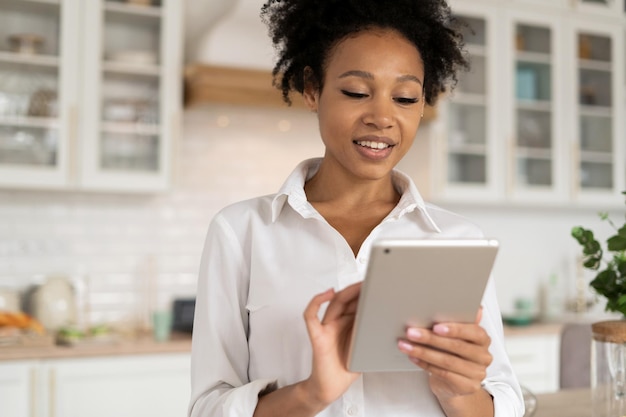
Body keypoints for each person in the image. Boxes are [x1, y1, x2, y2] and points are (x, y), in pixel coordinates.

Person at [189, 0, 525, 416]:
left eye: (404, 98)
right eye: (356, 92)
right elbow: (207, 408)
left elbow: (502, 401)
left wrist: (459, 393)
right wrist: (312, 393)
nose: (382, 117)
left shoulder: (459, 240)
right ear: (313, 89)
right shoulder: (241, 231)